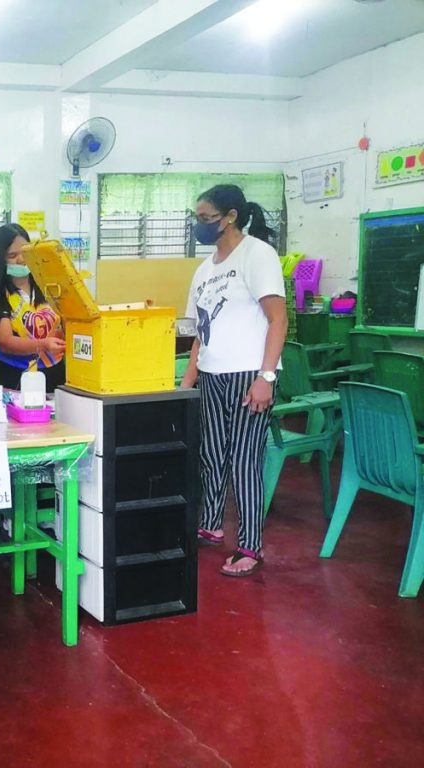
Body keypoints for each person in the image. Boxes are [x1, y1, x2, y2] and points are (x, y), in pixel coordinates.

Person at [180, 184, 287, 578]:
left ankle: (250, 546)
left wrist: (266, 377)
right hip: (211, 375)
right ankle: (210, 524)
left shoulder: (257, 255)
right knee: (210, 456)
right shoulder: (204, 270)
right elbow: (199, 334)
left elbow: (278, 319)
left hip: (248, 376)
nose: (199, 224)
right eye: (196, 217)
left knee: (243, 462)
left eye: (206, 218)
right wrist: (187, 382)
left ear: (230, 217)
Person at [0, 223, 66, 392]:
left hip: (55, 370)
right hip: (16, 375)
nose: (21, 259)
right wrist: (42, 344)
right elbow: (5, 342)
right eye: (13, 255)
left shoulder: (47, 285)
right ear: (1, 259)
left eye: (24, 252)